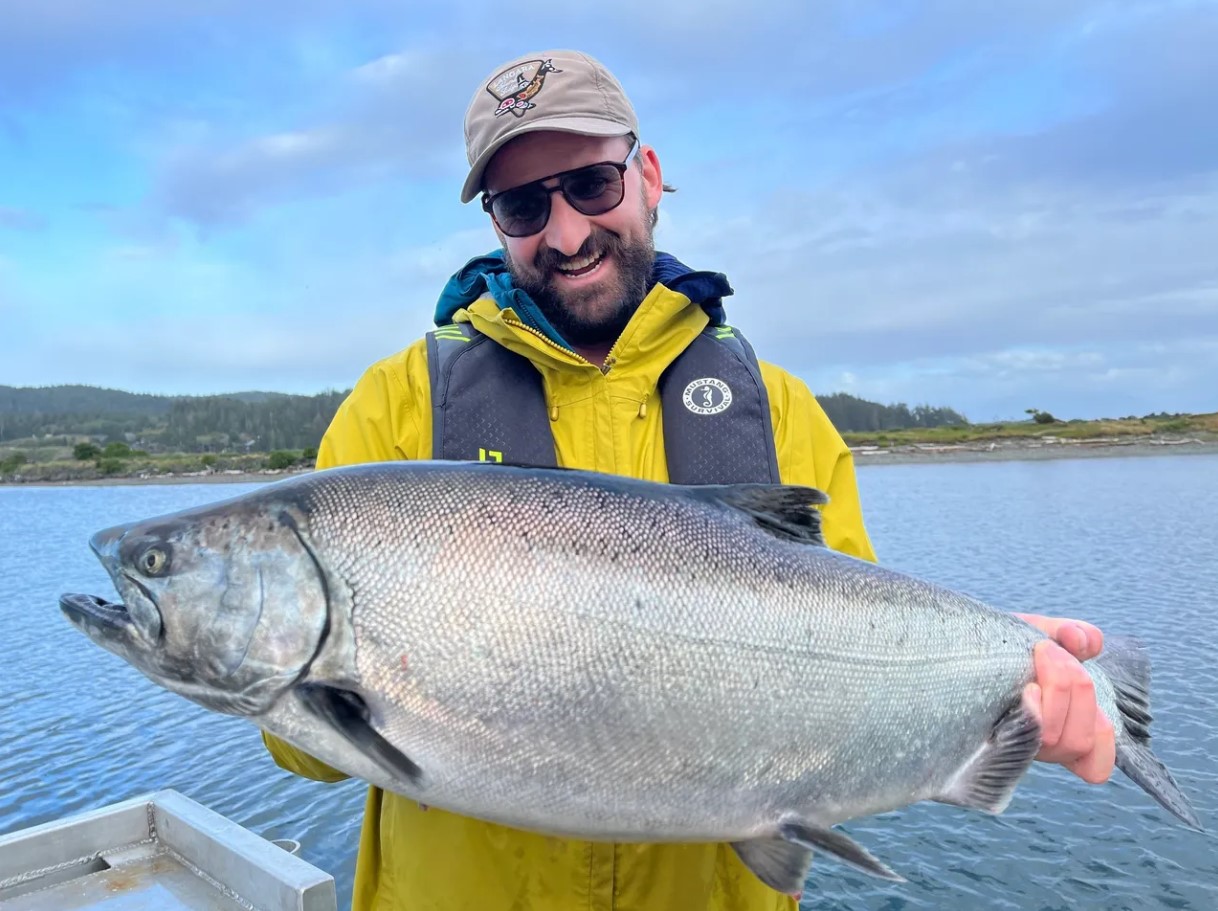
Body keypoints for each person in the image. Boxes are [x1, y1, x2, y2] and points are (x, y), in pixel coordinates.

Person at [262, 49, 1116, 911]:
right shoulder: (397, 409)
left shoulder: (778, 413)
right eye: (524, 205)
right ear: (496, 224)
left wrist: (1004, 689)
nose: (565, 234)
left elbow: (859, 677)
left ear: (650, 176)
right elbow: (302, 752)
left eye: (592, 184)